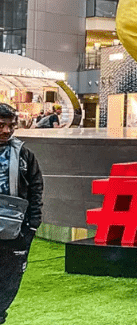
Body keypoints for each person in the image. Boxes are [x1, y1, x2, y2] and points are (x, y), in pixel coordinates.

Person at [0, 103, 43, 324]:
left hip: (15, 233)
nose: (6, 131)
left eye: (10, 126)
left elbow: (36, 188)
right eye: (1, 125)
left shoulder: (25, 155)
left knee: (9, 281)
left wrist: (32, 225)